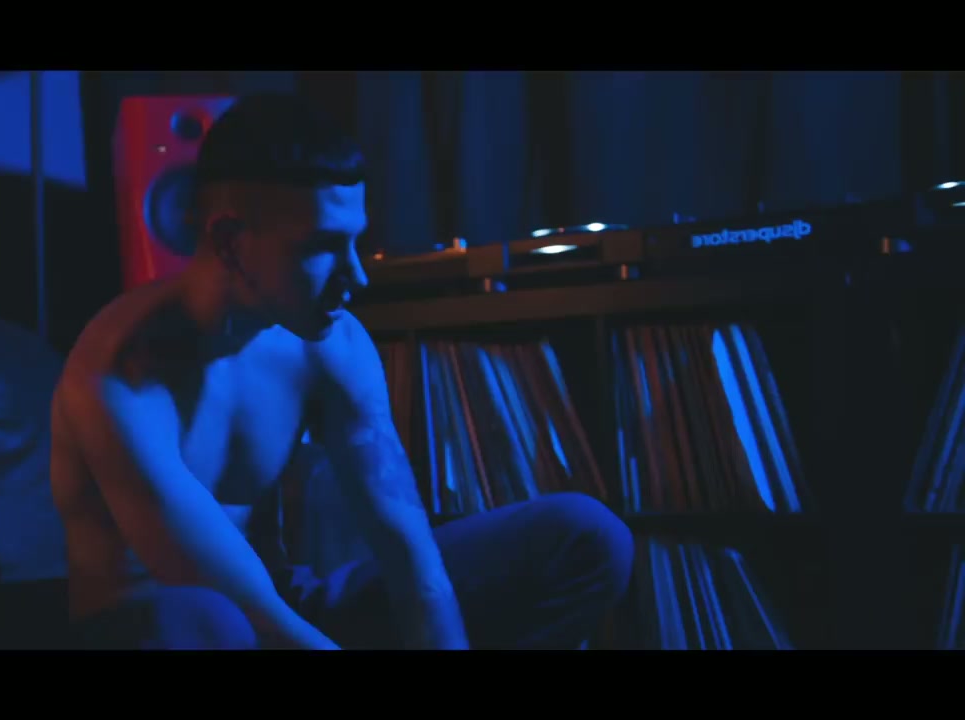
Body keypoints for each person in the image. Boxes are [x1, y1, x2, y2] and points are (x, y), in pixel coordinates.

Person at [50, 92, 634, 650]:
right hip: (174, 628)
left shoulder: (332, 343)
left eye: (355, 242)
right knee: (205, 619)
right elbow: (238, 604)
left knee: (583, 535)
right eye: (323, 246)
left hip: (288, 615)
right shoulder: (117, 373)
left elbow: (412, 561)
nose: (356, 275)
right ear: (229, 241)